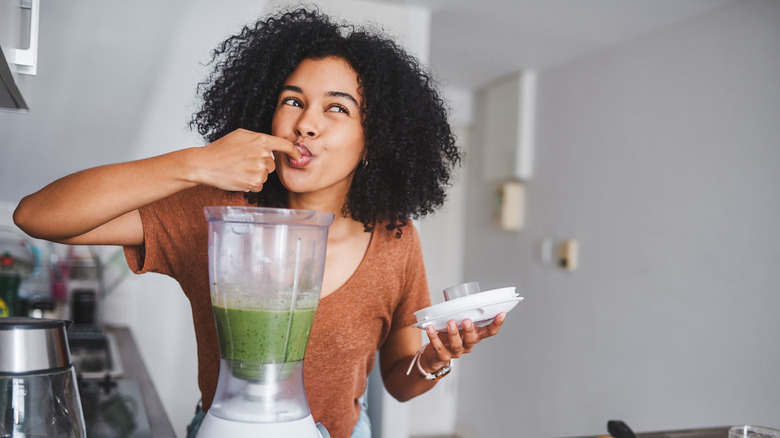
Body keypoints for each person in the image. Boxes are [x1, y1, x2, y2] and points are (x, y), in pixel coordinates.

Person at [13, 7, 506, 438]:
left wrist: (436, 359)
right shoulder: (217, 214)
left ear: (373, 139)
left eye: (336, 107)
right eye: (293, 100)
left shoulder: (395, 240)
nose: (305, 122)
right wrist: (198, 163)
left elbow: (400, 382)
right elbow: (36, 216)